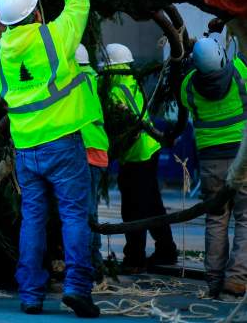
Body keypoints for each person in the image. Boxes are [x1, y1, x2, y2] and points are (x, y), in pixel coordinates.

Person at [0, 0, 99, 318]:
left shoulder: (2, 51)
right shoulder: (54, 37)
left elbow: (3, 89)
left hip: (26, 150)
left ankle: (31, 295)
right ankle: (77, 288)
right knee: (73, 215)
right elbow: (79, 2)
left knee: (33, 218)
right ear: (36, 13)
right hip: (63, 143)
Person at [179, 37, 247, 298]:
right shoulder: (240, 72)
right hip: (242, 158)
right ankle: (237, 279)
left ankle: (214, 281)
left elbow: (187, 87)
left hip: (210, 162)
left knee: (216, 219)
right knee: (244, 219)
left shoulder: (188, 86)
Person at [102, 43, 178, 274]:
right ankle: (167, 250)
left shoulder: (115, 90)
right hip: (147, 150)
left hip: (137, 155)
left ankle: (134, 258)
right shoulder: (130, 82)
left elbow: (122, 127)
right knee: (152, 204)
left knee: (133, 208)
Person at [76, 44, 109, 279]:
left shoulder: (74, 80)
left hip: (84, 149)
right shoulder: (90, 78)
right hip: (97, 148)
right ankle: (94, 263)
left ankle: (92, 265)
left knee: (85, 212)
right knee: (91, 210)